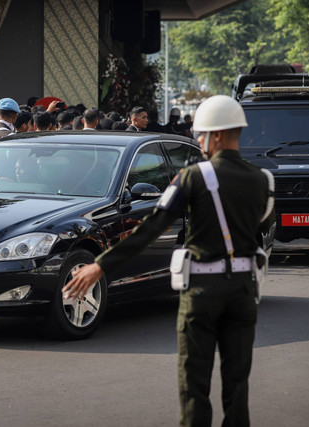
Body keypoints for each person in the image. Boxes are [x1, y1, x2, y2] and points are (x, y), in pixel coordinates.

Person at [63, 95, 274, 427]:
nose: (199, 142)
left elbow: (150, 229)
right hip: (244, 293)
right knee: (237, 384)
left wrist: (100, 265)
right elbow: (263, 224)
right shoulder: (263, 180)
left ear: (216, 136)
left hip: (203, 292)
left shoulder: (192, 177)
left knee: (194, 386)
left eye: (201, 135)